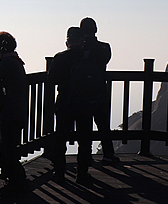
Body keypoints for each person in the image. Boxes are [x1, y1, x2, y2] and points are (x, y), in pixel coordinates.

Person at [47, 27, 93, 185]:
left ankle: (59, 173)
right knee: (85, 139)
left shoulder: (60, 58)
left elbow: (51, 80)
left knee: (61, 138)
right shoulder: (89, 57)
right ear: (82, 41)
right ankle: (82, 174)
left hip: (65, 101)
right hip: (85, 103)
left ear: (67, 42)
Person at [0, 31, 29, 197]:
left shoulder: (6, 63)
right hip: (18, 111)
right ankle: (14, 180)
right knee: (9, 147)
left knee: (7, 149)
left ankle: (17, 182)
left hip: (10, 113)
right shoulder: (16, 62)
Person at [80, 17, 118, 163]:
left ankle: (86, 155)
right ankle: (108, 154)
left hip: (82, 92)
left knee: (85, 124)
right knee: (103, 124)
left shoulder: (80, 50)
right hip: (100, 89)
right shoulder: (105, 47)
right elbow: (104, 62)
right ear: (95, 30)